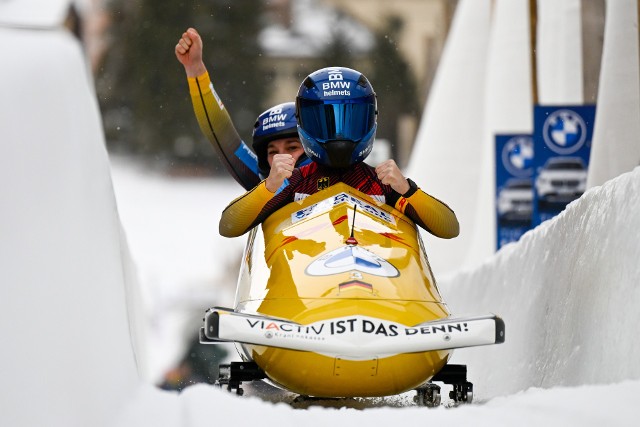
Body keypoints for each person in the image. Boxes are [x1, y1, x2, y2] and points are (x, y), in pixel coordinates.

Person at [219, 66, 459, 240]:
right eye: (326, 124)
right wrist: (268, 187)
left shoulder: (383, 183)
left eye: (349, 121)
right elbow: (229, 226)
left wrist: (408, 190)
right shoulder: (294, 182)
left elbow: (448, 228)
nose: (338, 137)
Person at [174, 27, 310, 191]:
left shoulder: (339, 175)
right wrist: (195, 68)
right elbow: (220, 132)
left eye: (292, 148)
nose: (280, 159)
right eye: (272, 152)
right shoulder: (261, 181)